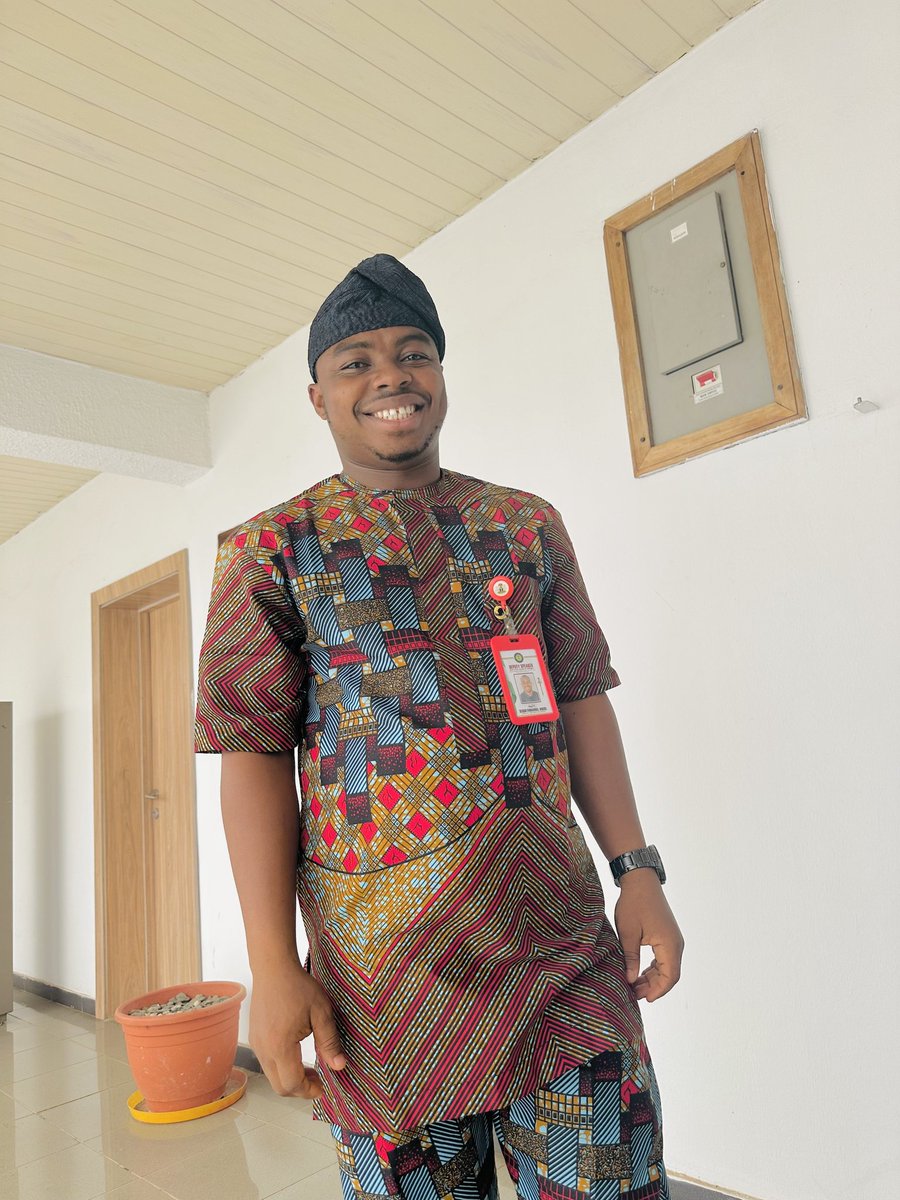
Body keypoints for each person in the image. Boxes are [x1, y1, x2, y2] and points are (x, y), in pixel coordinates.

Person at [195, 254, 683, 1200]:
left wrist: (639, 870)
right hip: (383, 990)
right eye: (357, 361)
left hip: (560, 952)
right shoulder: (269, 551)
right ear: (318, 397)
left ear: (441, 376)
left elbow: (581, 695)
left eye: (414, 352)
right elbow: (249, 754)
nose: (391, 375)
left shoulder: (525, 526)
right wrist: (270, 963)